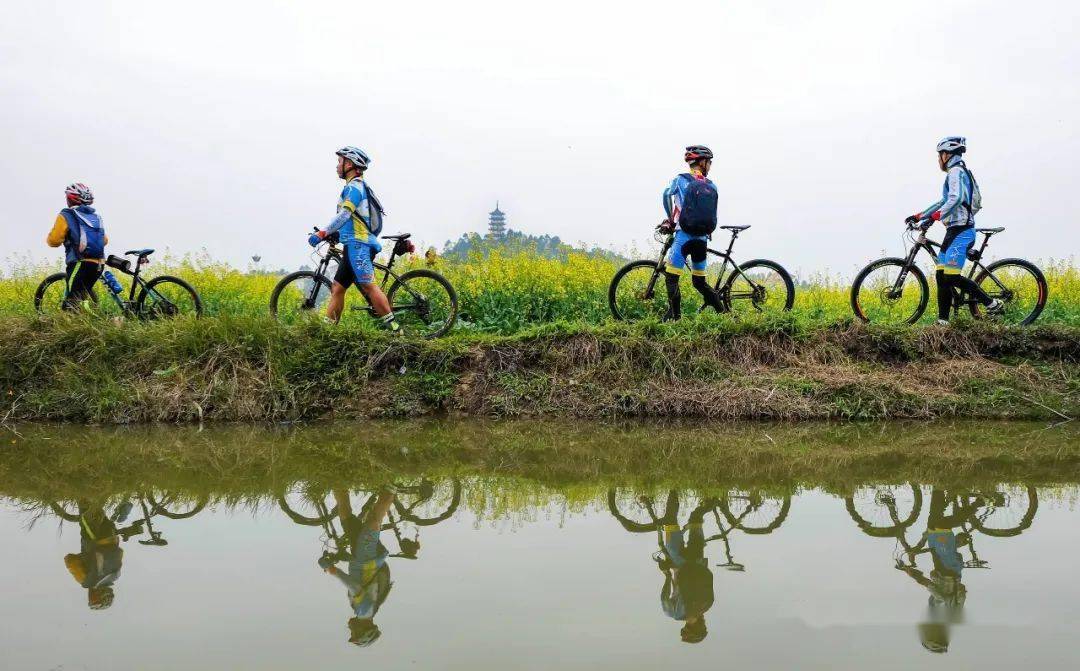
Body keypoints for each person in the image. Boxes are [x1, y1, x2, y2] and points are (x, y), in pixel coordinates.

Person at [905, 137, 1002, 325]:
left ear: (946, 154)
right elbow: (943, 201)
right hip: (953, 231)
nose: (938, 160)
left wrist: (935, 217)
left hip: (963, 231)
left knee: (951, 276)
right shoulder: (954, 173)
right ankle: (943, 322)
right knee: (941, 276)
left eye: (939, 155)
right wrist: (920, 216)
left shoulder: (956, 171)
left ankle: (992, 303)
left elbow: (956, 198)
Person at [308, 146, 401, 334]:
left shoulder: (354, 187)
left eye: (339, 162)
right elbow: (350, 220)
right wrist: (337, 233)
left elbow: (345, 215)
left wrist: (323, 233)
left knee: (369, 287)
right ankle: (328, 332)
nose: (337, 166)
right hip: (353, 243)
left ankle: (397, 331)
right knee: (337, 288)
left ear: (349, 164)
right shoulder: (355, 187)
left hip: (358, 245)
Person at [320, 489, 396, 647]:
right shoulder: (363, 611)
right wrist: (334, 572)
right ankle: (391, 486)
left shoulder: (367, 609)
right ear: (364, 630)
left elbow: (359, 579)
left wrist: (342, 558)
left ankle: (338, 481)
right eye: (354, 633)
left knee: (346, 517)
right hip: (365, 558)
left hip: (359, 558)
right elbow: (355, 586)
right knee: (374, 520)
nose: (350, 630)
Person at [659, 145, 725, 320]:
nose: (710, 165)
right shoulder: (712, 186)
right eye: (709, 162)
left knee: (671, 278)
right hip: (702, 240)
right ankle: (726, 315)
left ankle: (676, 318)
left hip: (684, 236)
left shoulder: (680, 180)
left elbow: (666, 195)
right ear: (702, 162)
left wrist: (671, 220)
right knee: (700, 283)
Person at [656, 495, 716, 643]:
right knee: (670, 521)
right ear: (687, 628)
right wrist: (667, 575)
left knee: (696, 519)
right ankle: (673, 488)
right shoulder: (676, 614)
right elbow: (664, 597)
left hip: (698, 560)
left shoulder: (707, 605)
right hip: (680, 563)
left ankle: (713, 499)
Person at [46, 183, 109, 310]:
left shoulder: (66, 215)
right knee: (81, 295)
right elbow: (105, 240)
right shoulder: (96, 217)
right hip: (98, 265)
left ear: (70, 198)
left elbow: (54, 240)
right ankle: (85, 322)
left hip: (79, 262)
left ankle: (67, 326)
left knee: (71, 300)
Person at [62, 500, 129, 610]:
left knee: (96, 506)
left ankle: (98, 489)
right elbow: (70, 560)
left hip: (112, 535)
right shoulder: (87, 581)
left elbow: (119, 553)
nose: (90, 597)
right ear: (102, 595)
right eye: (94, 598)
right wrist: (84, 556)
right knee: (84, 505)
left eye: (91, 599)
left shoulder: (116, 575)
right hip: (94, 537)